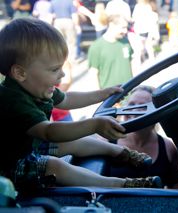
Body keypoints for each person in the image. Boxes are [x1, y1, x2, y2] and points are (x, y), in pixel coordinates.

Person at [0, 18, 163, 190]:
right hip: (10, 167)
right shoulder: (13, 101)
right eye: (54, 70)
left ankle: (119, 152)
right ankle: (119, 184)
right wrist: (93, 125)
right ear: (20, 72)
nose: (62, 75)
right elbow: (49, 131)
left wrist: (102, 94)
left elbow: (68, 99)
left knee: (76, 141)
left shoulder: (35, 87)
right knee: (55, 166)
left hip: (28, 148)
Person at [110, 85, 178, 189]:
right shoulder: (106, 141)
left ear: (156, 114)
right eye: (131, 105)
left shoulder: (168, 148)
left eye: (143, 107)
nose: (134, 112)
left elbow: (175, 185)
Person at [88, 14, 134, 90]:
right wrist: (98, 95)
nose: (125, 31)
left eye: (126, 27)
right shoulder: (97, 46)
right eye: (123, 27)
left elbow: (132, 63)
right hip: (110, 95)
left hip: (129, 90)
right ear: (112, 25)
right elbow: (93, 73)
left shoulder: (125, 41)